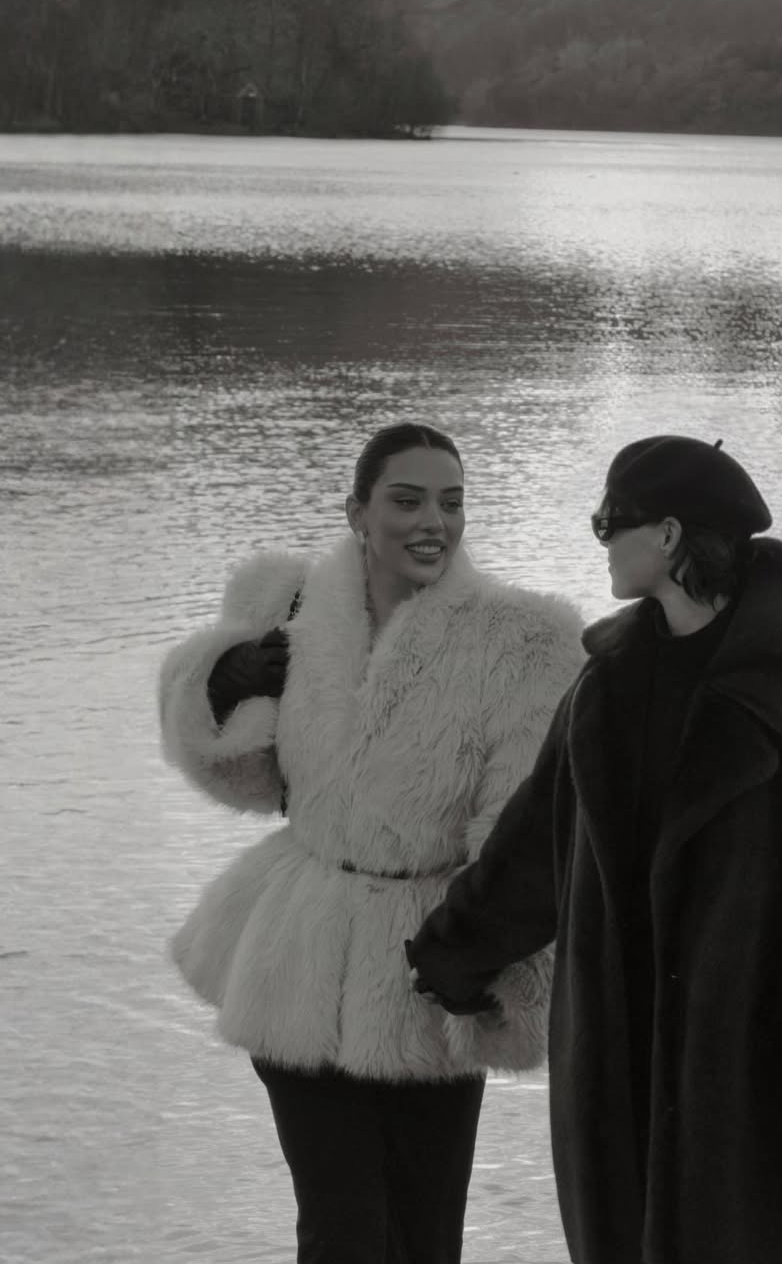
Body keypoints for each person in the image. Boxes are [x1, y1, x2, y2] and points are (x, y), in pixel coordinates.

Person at [407, 434, 782, 1264]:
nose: (599, 538)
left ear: (667, 535)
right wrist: (446, 956)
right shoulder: (603, 688)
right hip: (617, 1096)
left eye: (609, 520)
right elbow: (533, 853)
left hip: (765, 1106)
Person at [158, 421, 584, 1264]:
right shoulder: (290, 610)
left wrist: (489, 964)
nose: (434, 522)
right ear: (357, 511)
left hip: (431, 970)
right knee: (340, 1232)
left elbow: (523, 833)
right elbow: (246, 782)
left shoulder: (524, 641)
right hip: (297, 961)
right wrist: (222, 685)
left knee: (424, 1236)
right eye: (407, 500)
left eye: (451, 502)